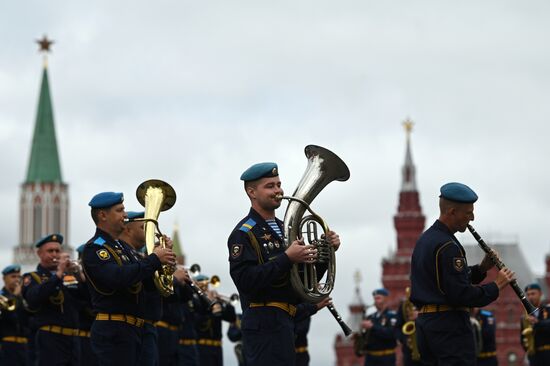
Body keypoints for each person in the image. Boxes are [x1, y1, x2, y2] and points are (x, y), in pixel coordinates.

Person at [227, 162, 339, 365]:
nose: (278, 190)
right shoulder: (243, 233)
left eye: (279, 184)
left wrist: (326, 253)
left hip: (286, 324)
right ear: (252, 192)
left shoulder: (286, 228)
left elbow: (305, 283)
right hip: (262, 326)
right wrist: (287, 258)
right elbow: (245, 281)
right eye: (270, 186)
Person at [410, 182, 515, 365]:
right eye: (468, 213)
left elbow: (446, 283)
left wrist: (482, 269)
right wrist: (496, 285)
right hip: (449, 329)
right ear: (452, 212)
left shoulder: (426, 240)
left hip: (427, 325)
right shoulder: (448, 246)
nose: (472, 218)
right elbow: (461, 294)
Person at [81, 192, 176, 365]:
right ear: (102, 215)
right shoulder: (94, 248)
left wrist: (163, 263)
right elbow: (117, 278)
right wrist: (154, 259)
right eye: (119, 210)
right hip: (113, 332)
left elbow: (146, 284)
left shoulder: (122, 248)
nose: (125, 215)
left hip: (133, 331)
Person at [22, 234, 85, 366]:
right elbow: (33, 298)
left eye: (58, 251)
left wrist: (79, 276)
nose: (55, 254)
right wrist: (58, 274)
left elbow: (87, 300)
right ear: (39, 254)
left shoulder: (69, 277)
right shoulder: (32, 277)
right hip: (50, 338)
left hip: (74, 340)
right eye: (50, 251)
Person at [192, 272, 236, 366]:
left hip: (217, 348)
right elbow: (198, 322)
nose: (206, 289)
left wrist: (227, 303)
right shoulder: (195, 301)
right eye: (203, 286)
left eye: (207, 286)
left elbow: (231, 318)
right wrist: (210, 306)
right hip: (201, 347)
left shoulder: (215, 303)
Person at [0, 264, 31, 366]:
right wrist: (15, 296)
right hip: (7, 346)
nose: (17, 280)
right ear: (4, 279)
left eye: (18, 277)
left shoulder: (23, 297)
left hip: (25, 346)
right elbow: (9, 314)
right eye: (13, 276)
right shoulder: (2, 297)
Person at [358, 288, 397, 366]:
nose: (375, 301)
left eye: (378, 298)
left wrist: (372, 326)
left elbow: (392, 334)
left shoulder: (392, 315)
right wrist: (359, 337)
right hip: (370, 358)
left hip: (386, 358)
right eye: (375, 299)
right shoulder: (371, 317)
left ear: (386, 299)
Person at [520, 283, 550, 366]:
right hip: (534, 357)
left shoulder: (548, 309)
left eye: (533, 293)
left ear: (540, 294)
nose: (530, 297)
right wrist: (529, 350)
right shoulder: (525, 316)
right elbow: (523, 337)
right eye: (528, 294)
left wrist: (538, 323)